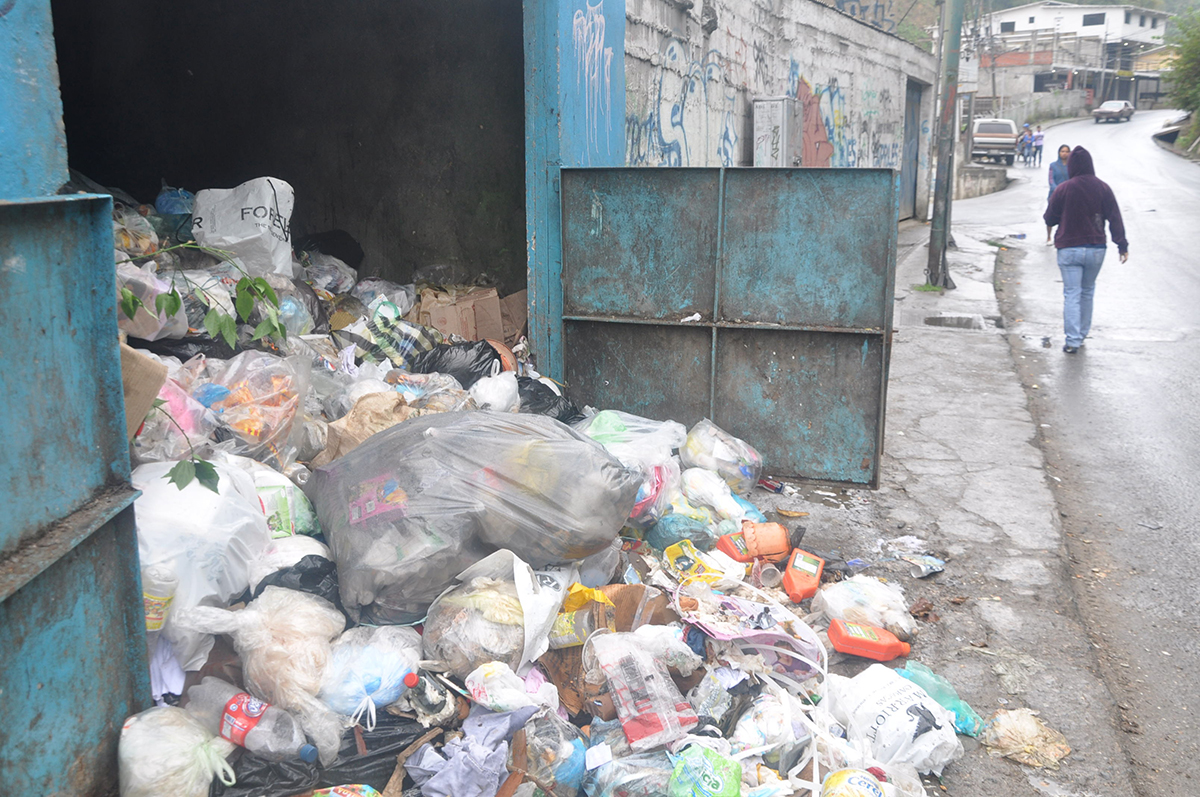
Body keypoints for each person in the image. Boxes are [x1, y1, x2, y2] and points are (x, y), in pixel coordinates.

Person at [1043, 146, 1129, 353]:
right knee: (1087, 291)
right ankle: (1081, 335)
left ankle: (1072, 341)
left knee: (1072, 293)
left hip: (1069, 248)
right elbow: (1115, 217)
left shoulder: (1064, 188)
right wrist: (1122, 245)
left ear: (1072, 166)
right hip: (1096, 248)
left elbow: (1049, 218)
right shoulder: (1103, 188)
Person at [1045, 144, 1071, 244]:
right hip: (1054, 195)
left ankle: (1062, 236)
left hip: (1068, 195)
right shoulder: (1053, 166)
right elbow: (1051, 180)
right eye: (1062, 151)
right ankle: (1048, 237)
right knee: (1051, 216)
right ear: (1059, 153)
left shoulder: (1071, 166)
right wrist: (1058, 190)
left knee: (1065, 217)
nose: (1064, 154)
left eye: (1067, 151)